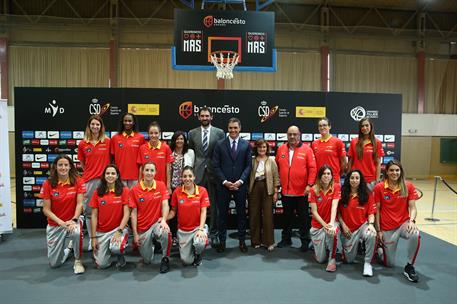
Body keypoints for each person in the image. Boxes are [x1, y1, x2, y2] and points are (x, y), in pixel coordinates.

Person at [374, 159, 421, 283]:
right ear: (387, 172)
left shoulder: (408, 186)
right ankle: (380, 250)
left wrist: (412, 221)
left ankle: (409, 266)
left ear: (401, 171)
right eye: (391, 170)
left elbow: (413, 207)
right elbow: (377, 210)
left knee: (415, 234)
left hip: (403, 225)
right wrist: (378, 231)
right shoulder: (379, 187)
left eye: (397, 170)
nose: (394, 173)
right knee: (389, 264)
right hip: (387, 228)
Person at [40, 155, 86, 274]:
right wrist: (60, 222)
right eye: (60, 165)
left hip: (72, 220)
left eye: (66, 165)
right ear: (55, 167)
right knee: (54, 263)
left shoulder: (78, 181)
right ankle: (69, 248)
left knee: (76, 232)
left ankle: (78, 260)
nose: (63, 167)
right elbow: (46, 210)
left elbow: (80, 204)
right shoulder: (48, 183)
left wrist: (74, 219)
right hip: (56, 224)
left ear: (70, 166)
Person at [212, 117, 252, 253]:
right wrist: (225, 182)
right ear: (227, 129)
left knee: (241, 215)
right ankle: (222, 242)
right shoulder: (219, 144)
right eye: (230, 128)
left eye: (235, 128)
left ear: (240, 128)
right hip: (224, 186)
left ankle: (242, 241)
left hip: (240, 186)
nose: (233, 130)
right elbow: (216, 166)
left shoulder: (246, 145)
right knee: (222, 215)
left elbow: (248, 166)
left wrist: (240, 181)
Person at [188, 107, 225, 248]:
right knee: (195, 204)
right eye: (202, 116)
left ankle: (214, 233)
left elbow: (221, 153)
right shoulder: (192, 133)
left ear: (211, 117)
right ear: (199, 117)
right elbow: (191, 153)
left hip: (214, 173)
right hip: (197, 173)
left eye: (207, 116)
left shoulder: (220, 133)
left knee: (214, 205)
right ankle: (196, 231)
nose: (204, 118)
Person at [275, 125, 316, 251]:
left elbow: (313, 168)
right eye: (290, 134)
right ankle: (286, 239)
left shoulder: (307, 150)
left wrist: (309, 185)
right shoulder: (281, 149)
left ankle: (305, 241)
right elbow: (276, 167)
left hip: (301, 192)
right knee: (286, 218)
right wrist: (278, 186)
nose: (292, 137)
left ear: (299, 135)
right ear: (287, 135)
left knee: (303, 218)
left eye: (295, 134)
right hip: (286, 192)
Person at [129, 162, 172, 273]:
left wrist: (163, 220)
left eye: (152, 170)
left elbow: (165, 205)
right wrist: (135, 234)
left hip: (156, 223)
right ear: (142, 172)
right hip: (143, 228)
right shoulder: (135, 190)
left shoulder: (161, 185)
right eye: (147, 170)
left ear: (155, 172)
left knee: (165, 231)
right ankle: (151, 245)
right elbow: (133, 213)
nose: (149, 173)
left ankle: (165, 258)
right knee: (147, 260)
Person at [77, 115, 111, 250]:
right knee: (90, 211)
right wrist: (91, 173)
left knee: (105, 209)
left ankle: (104, 237)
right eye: (93, 124)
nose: (95, 127)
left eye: (98, 124)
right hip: (89, 181)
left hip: (105, 181)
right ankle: (92, 239)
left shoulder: (108, 141)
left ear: (101, 127)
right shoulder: (83, 144)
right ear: (89, 126)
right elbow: (82, 164)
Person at [89, 164, 130, 269]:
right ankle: (105, 251)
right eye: (107, 173)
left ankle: (119, 254)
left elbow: (127, 213)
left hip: (118, 229)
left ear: (117, 176)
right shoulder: (97, 192)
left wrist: (119, 231)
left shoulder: (124, 191)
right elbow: (94, 216)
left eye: (113, 173)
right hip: (101, 232)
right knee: (102, 265)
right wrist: (93, 237)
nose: (110, 176)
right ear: (104, 176)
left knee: (116, 247)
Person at [338, 169, 377, 277]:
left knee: (371, 234)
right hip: (348, 230)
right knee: (348, 260)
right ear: (348, 179)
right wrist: (343, 225)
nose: (354, 180)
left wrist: (371, 225)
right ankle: (357, 244)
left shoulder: (367, 194)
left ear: (360, 180)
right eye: (352, 178)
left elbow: (371, 213)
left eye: (357, 178)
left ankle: (368, 263)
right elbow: (338, 213)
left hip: (362, 226)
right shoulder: (342, 194)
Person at [169, 166, 210, 266]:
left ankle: (198, 252)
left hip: (197, 228)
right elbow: (173, 212)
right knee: (186, 261)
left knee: (199, 243)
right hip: (183, 231)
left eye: (190, 176)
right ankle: (189, 248)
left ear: (194, 177)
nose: (187, 179)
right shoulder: (177, 192)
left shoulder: (202, 191)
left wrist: (200, 229)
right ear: (181, 178)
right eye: (185, 176)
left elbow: (204, 211)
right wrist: (163, 218)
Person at [248, 139, 280, 251]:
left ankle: (268, 242)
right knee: (254, 216)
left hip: (268, 189)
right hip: (254, 188)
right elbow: (248, 176)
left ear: (267, 149)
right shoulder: (251, 161)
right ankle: (255, 241)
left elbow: (276, 177)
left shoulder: (271, 161)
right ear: (256, 149)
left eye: (264, 147)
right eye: (260, 147)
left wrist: (276, 192)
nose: (262, 149)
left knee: (268, 216)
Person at [309, 165, 340, 272]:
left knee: (333, 231)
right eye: (324, 174)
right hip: (317, 226)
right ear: (320, 176)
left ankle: (332, 259)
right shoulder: (313, 190)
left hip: (330, 222)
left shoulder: (336, 187)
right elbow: (314, 212)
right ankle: (322, 247)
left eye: (328, 174)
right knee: (320, 260)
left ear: (332, 176)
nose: (326, 176)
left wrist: (331, 223)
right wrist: (324, 225)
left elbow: (334, 206)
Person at [169, 131, 195, 244]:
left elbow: (191, 168)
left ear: (185, 141)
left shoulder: (190, 152)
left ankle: (186, 235)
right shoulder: (169, 153)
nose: (179, 141)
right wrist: (168, 186)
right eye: (177, 139)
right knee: (173, 213)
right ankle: (174, 236)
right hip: (173, 187)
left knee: (185, 212)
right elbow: (167, 170)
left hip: (186, 187)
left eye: (181, 139)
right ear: (174, 141)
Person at [348, 118, 384, 190]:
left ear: (371, 126)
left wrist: (377, 180)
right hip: (356, 179)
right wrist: (348, 176)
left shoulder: (377, 142)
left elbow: (378, 163)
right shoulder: (354, 141)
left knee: (370, 201)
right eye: (362, 126)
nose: (364, 128)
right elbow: (350, 161)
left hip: (371, 180)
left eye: (367, 125)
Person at [137, 121, 174, 193]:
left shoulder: (166, 148)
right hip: (145, 184)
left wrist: (168, 186)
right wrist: (139, 183)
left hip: (161, 185)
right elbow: (141, 168)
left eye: (156, 133)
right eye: (151, 133)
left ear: (160, 134)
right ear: (148, 134)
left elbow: (168, 168)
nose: (153, 135)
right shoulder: (142, 148)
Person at [110, 112, 145, 188]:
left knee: (133, 199)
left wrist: (140, 176)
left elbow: (142, 159)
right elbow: (112, 159)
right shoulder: (115, 138)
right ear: (122, 122)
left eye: (129, 121)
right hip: (119, 176)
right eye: (125, 121)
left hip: (135, 177)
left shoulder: (140, 138)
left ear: (134, 122)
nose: (127, 123)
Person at [311, 117, 347, 184]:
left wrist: (337, 174)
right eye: (320, 126)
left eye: (324, 125)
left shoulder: (338, 142)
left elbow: (344, 162)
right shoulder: (314, 144)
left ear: (329, 126)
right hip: (319, 180)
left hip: (334, 179)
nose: (322, 127)